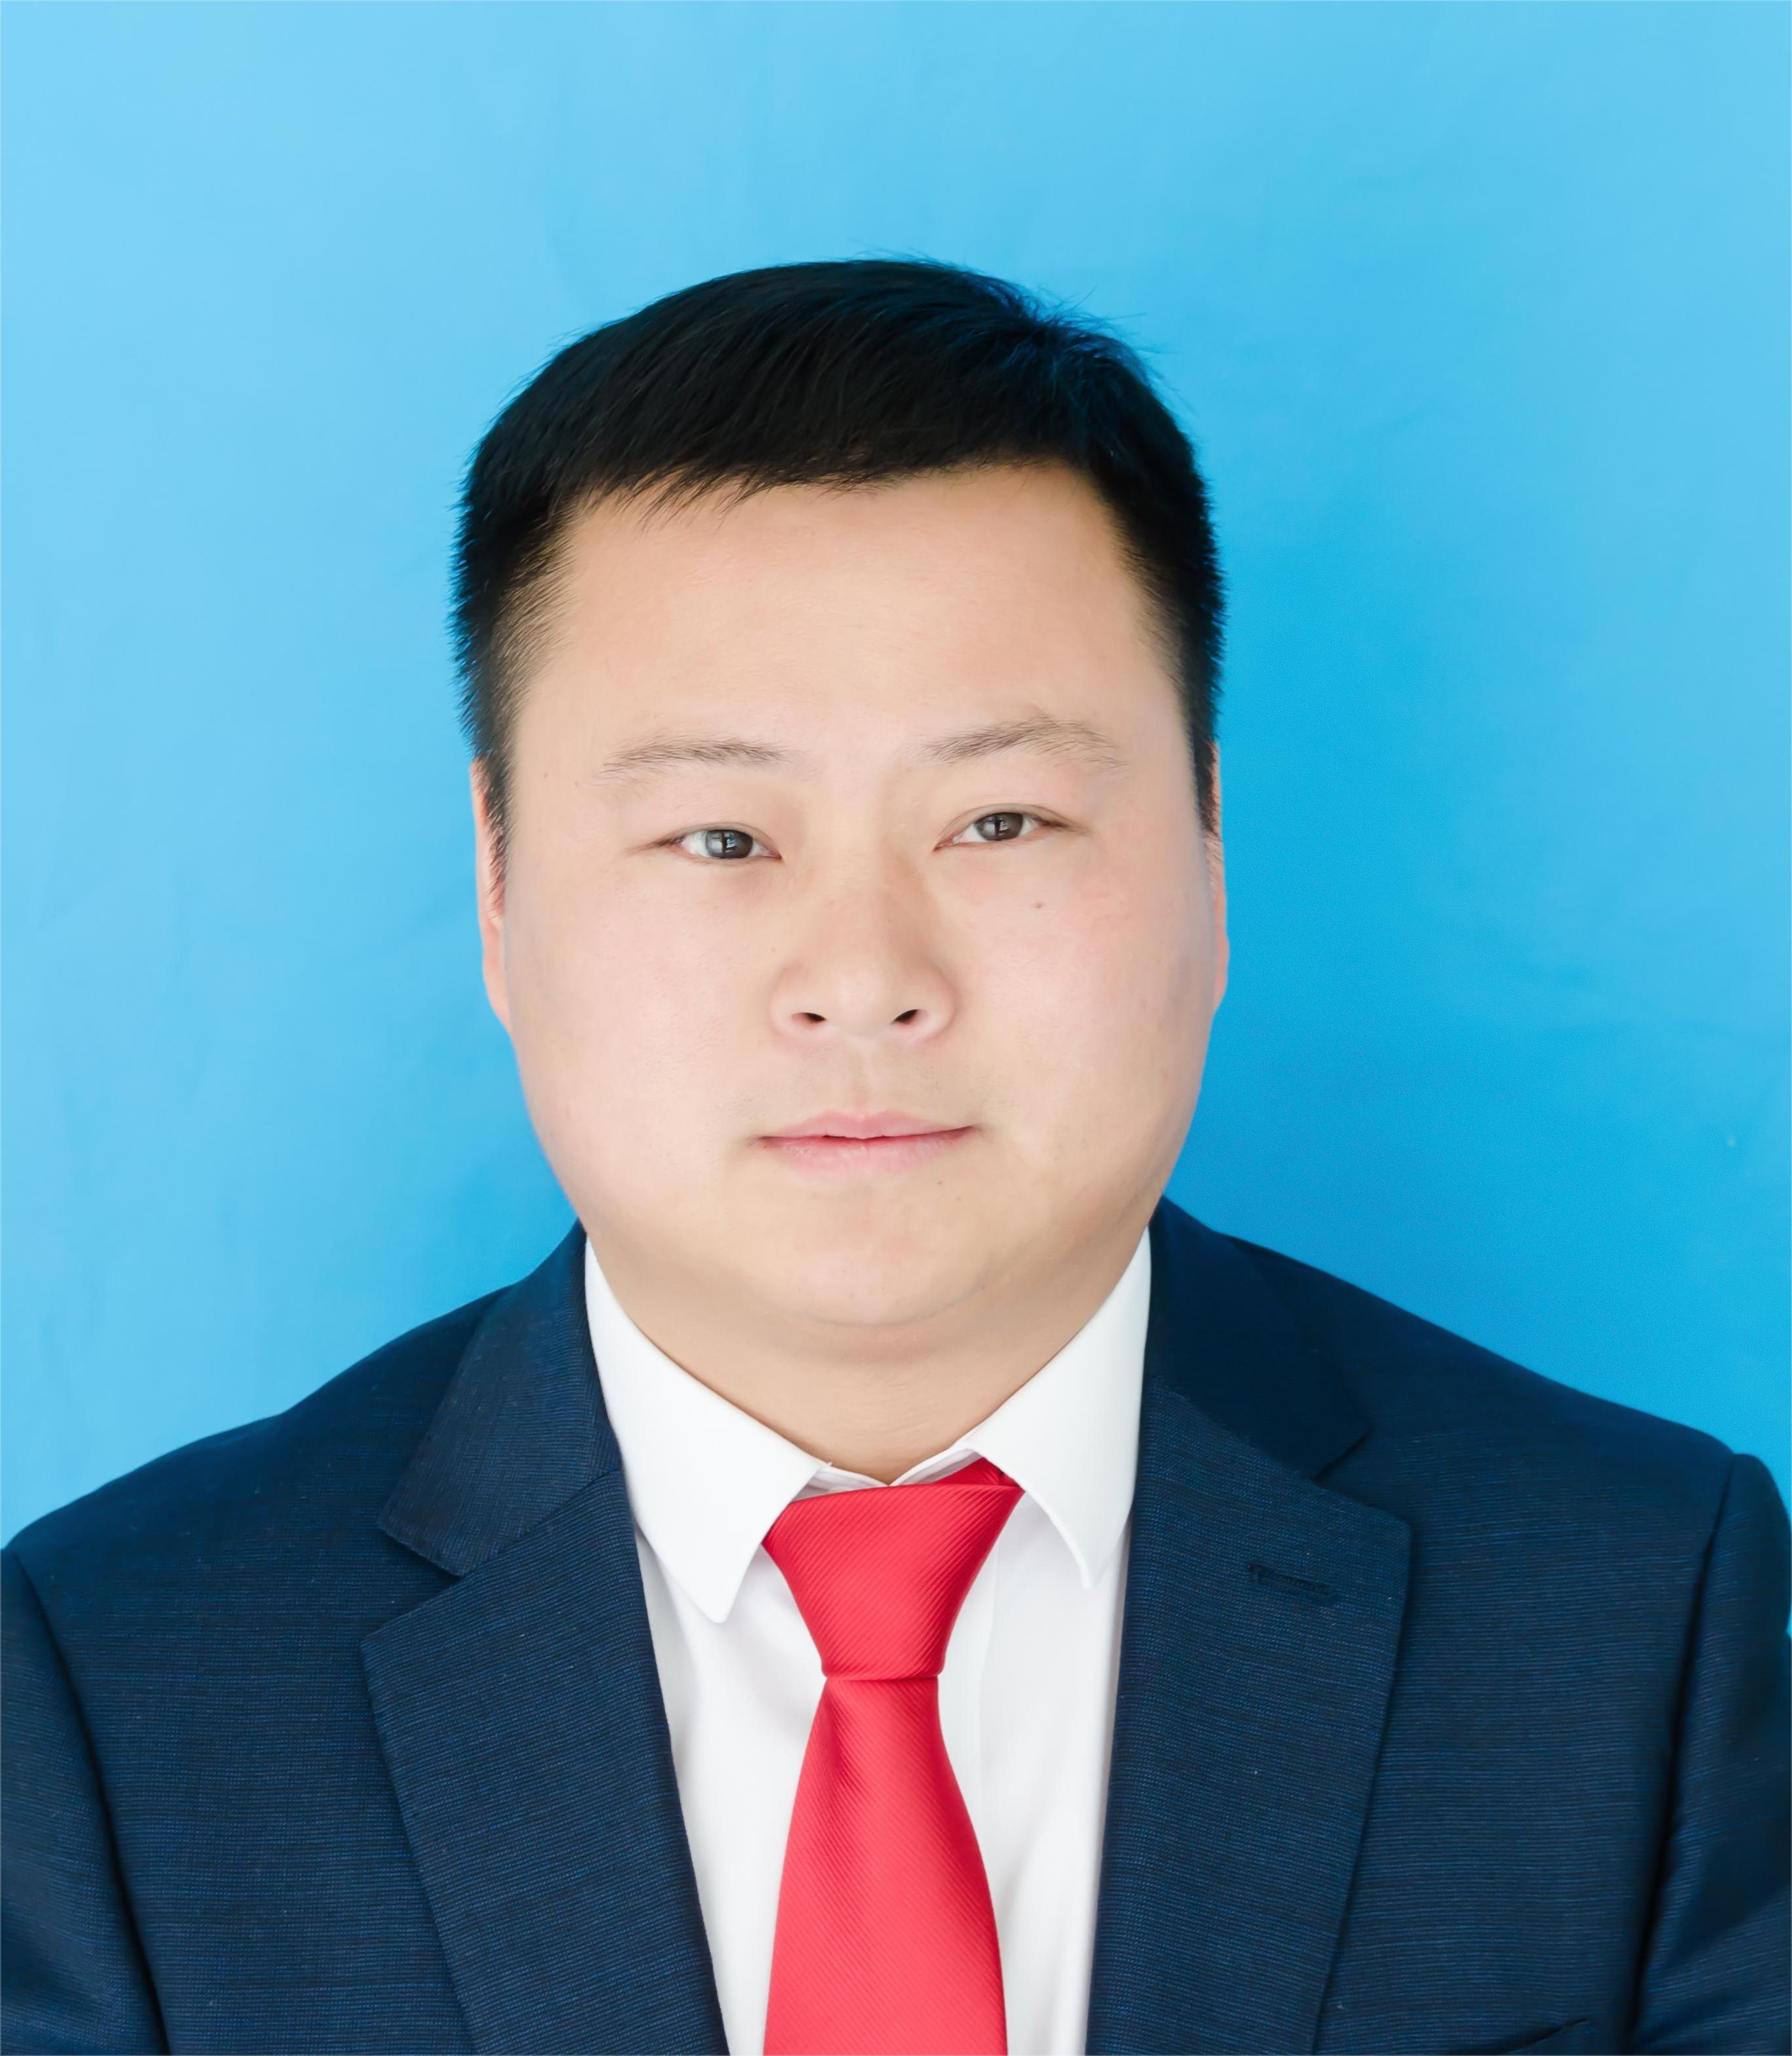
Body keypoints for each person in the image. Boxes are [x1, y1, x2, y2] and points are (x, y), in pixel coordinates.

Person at [4, 259, 1785, 2056]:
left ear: (1208, 839)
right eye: (720, 837)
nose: (863, 980)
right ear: (496, 877)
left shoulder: (1635, 1614)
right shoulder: (112, 1689)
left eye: (999, 818)